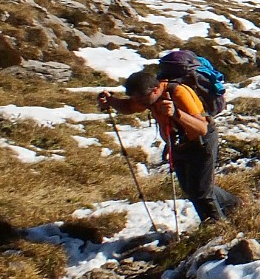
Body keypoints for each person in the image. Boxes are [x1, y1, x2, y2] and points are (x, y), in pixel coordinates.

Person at [99, 70, 236, 223]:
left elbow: (201, 129)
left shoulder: (178, 93)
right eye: (138, 101)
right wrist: (111, 101)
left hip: (201, 142)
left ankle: (216, 226)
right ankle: (234, 205)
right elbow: (129, 107)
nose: (142, 105)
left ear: (155, 89)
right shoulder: (149, 98)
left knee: (200, 191)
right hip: (178, 144)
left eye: (143, 101)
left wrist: (176, 113)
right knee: (191, 189)